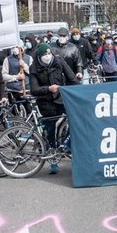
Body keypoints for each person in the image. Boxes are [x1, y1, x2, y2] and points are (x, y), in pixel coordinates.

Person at [29, 43, 79, 174]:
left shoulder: (59, 61)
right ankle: (53, 160)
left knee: (76, 121)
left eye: (49, 53)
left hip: (62, 99)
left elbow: (72, 79)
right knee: (50, 130)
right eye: (44, 54)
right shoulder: (34, 67)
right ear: (39, 56)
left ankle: (67, 146)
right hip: (46, 102)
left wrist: (79, 91)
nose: (47, 56)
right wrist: (48, 89)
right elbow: (34, 89)